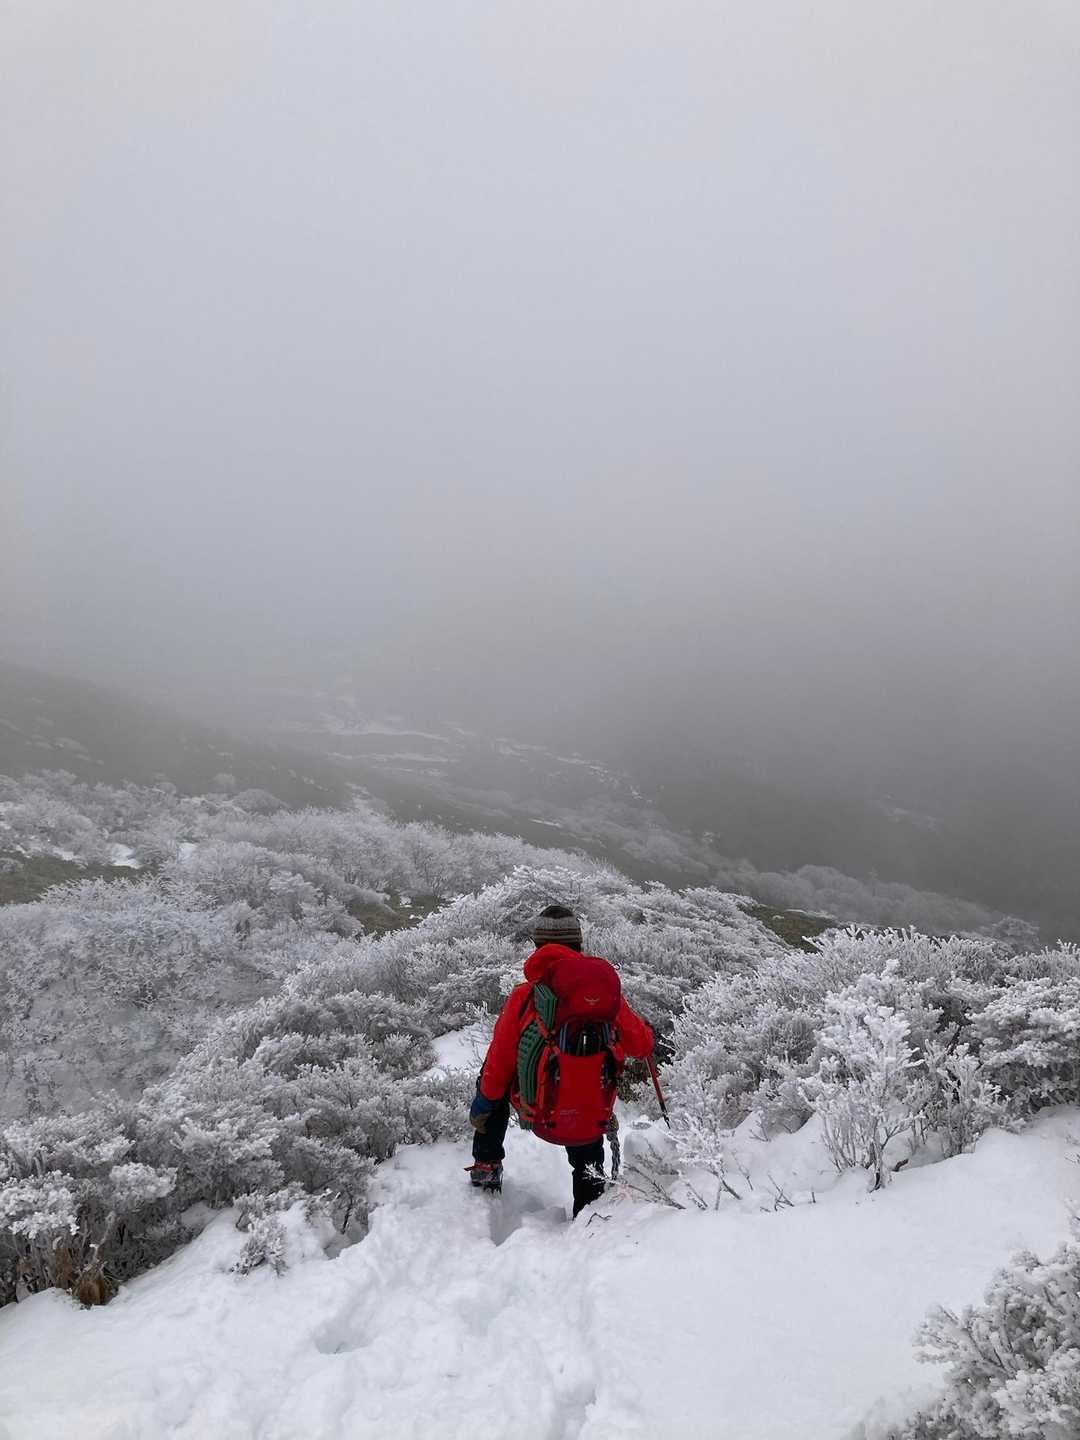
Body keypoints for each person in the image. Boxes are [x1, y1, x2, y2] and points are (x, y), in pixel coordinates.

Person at [467, 904, 654, 1217]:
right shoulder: (603, 997)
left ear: (537, 945)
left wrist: (484, 1104)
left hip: (537, 1108)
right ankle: (590, 1211)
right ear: (578, 944)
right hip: (588, 1118)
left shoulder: (525, 995)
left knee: (490, 1074)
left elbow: (500, 1063)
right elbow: (641, 1046)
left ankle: (487, 1165)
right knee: (587, 1129)